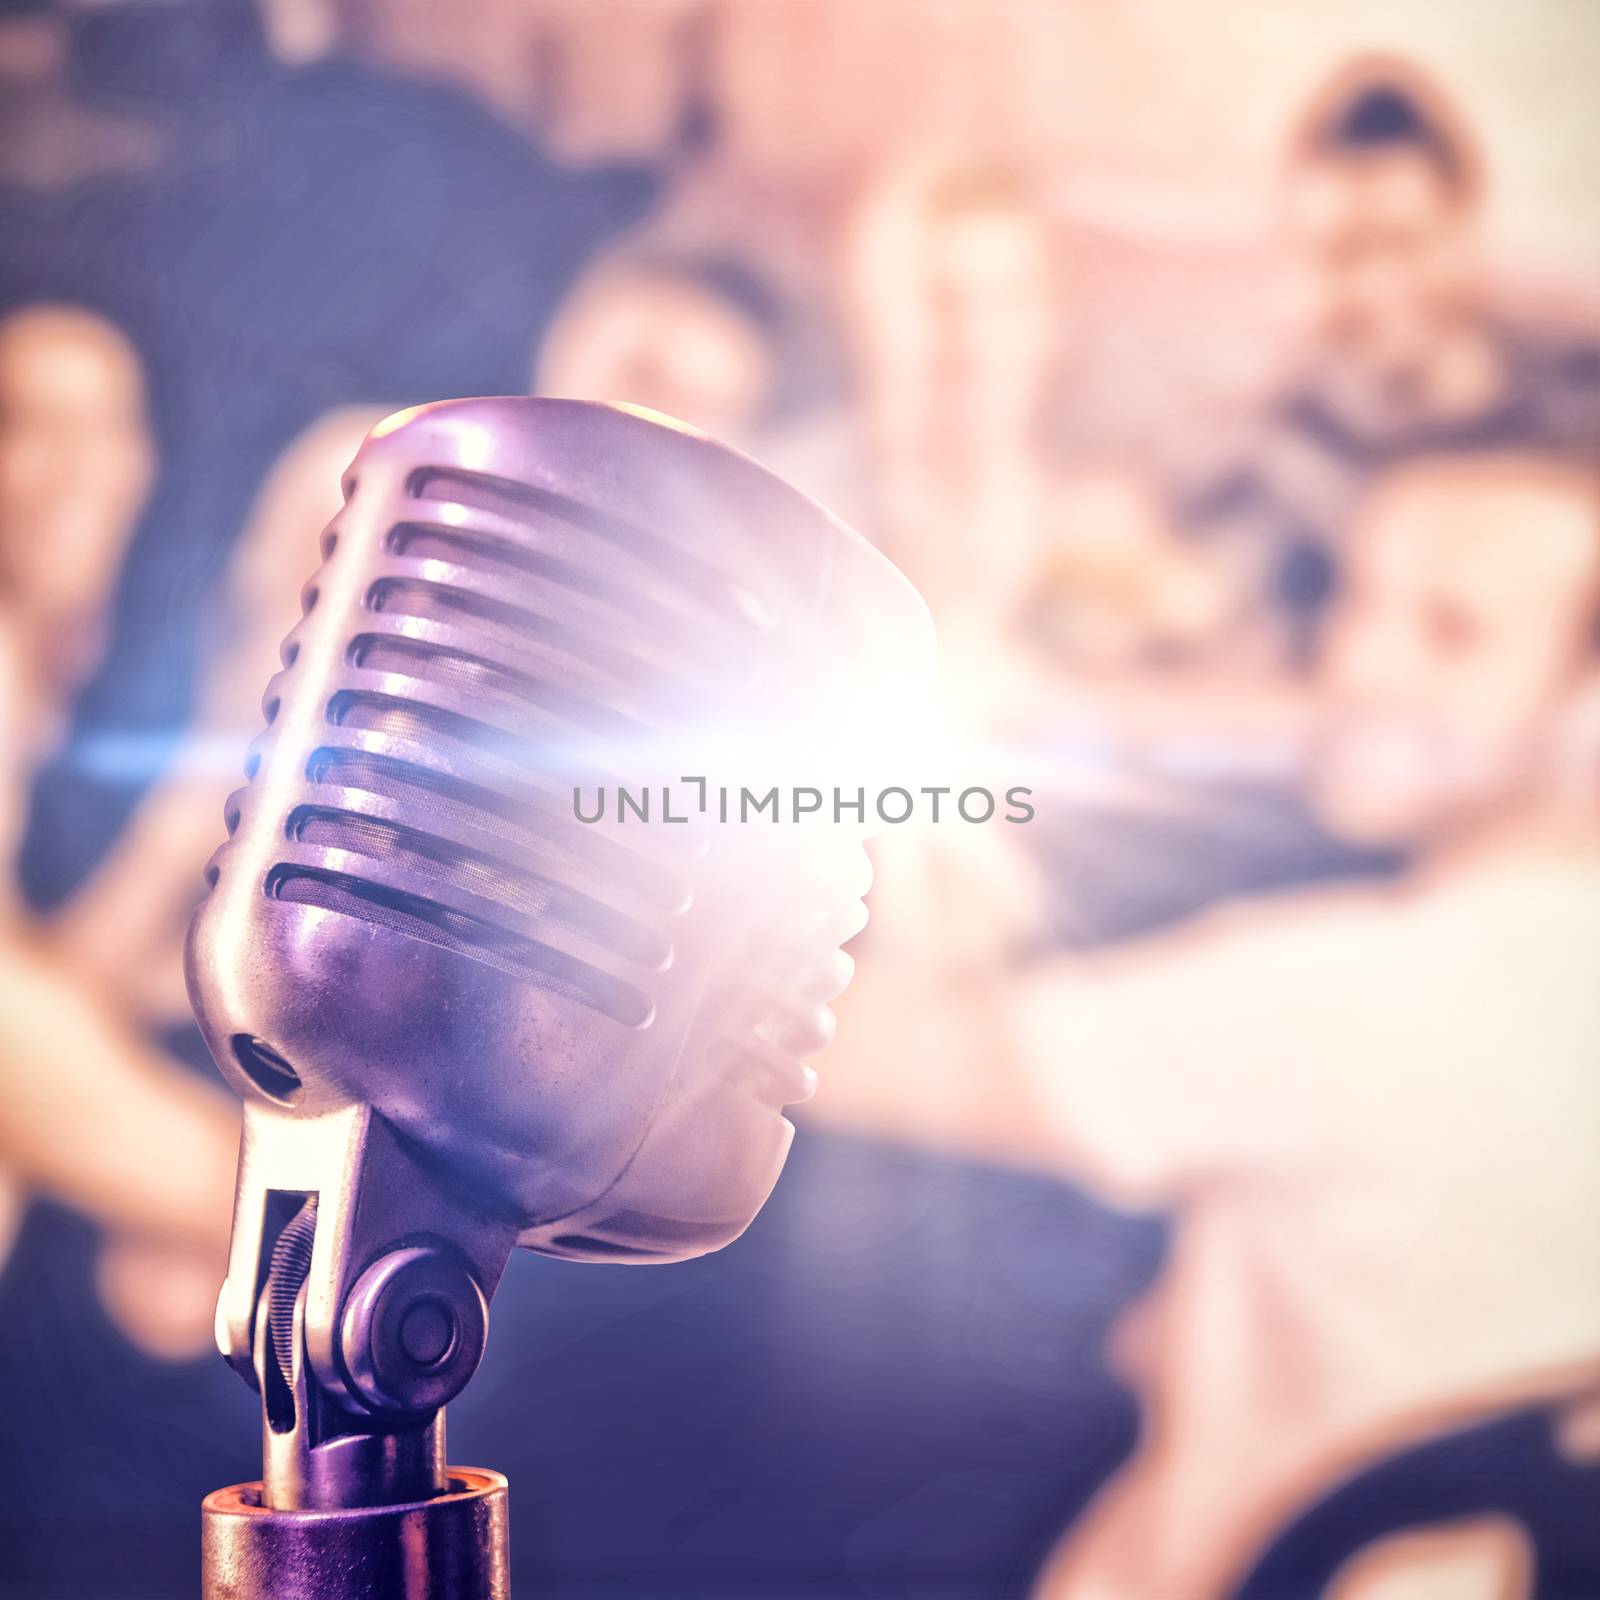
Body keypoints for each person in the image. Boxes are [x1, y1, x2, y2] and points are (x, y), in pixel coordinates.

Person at [819, 453, 1600, 1597]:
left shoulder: (1376, 990)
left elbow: (851, 1057)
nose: (1358, 661)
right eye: (1356, 598)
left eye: (1451, 630)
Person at [1177, 57, 1600, 665]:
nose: (1377, 286)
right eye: (1342, 255)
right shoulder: (1285, 457)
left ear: (1465, 229)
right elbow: (1217, 611)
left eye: (1402, 242)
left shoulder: (1582, 402)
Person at [0, 303, 237, 1359]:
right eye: (22, 423)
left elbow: (49, 991)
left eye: (105, 425)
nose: (74, 466)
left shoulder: (53, 685)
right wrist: (277, 1217)